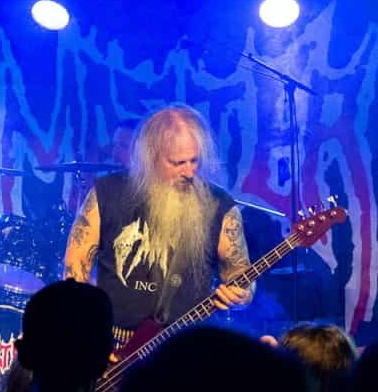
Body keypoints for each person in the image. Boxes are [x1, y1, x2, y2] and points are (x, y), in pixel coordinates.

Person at [62, 105, 251, 334]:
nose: (189, 172)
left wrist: (242, 295)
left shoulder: (220, 206)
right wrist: (88, 336)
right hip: (113, 338)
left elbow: (241, 274)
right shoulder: (106, 194)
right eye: (178, 163)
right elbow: (75, 272)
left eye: (194, 161)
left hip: (185, 340)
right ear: (150, 158)